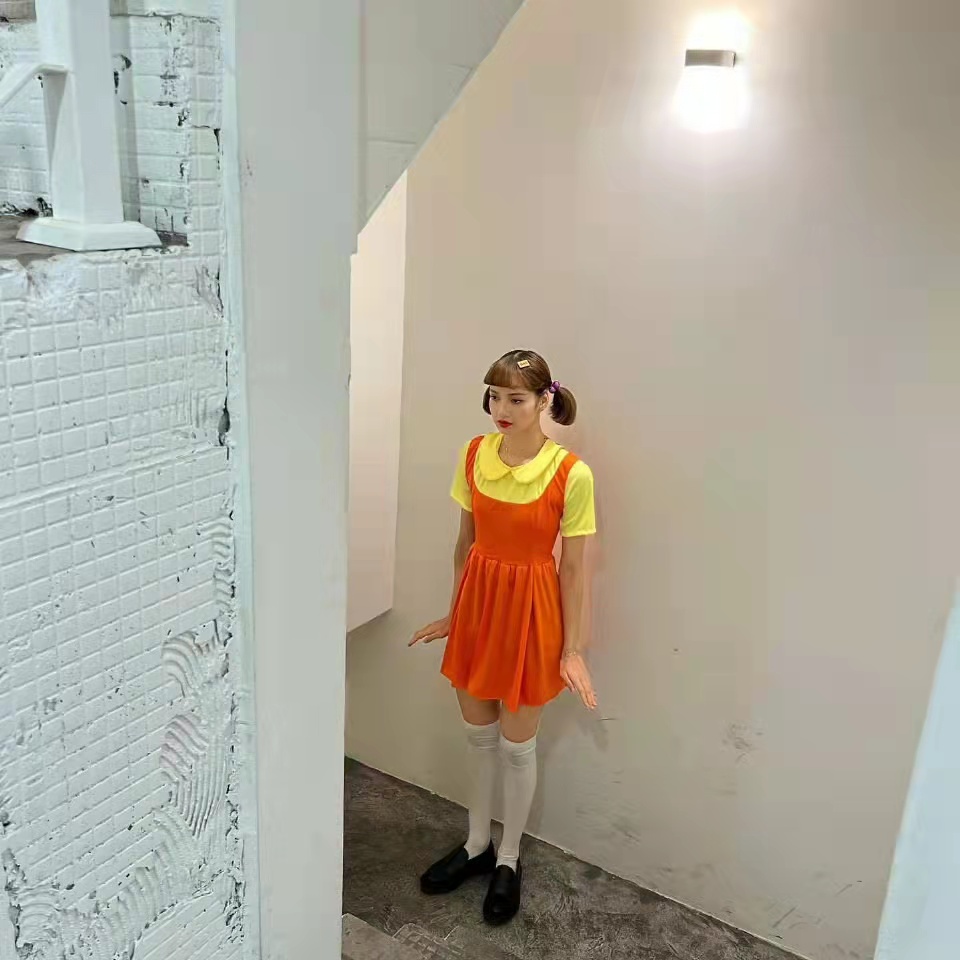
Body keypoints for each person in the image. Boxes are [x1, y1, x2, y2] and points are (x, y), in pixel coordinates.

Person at [409, 348, 598, 926]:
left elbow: (574, 569)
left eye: (516, 398)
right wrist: (453, 614)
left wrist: (572, 650)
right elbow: (464, 544)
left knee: (518, 747)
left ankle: (509, 857)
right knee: (478, 739)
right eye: (495, 396)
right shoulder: (473, 455)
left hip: (532, 614)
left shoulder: (571, 473)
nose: (502, 409)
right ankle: (475, 845)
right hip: (479, 608)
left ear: (544, 401)